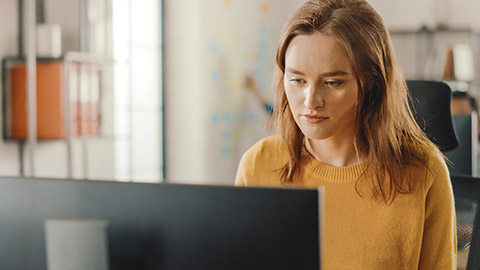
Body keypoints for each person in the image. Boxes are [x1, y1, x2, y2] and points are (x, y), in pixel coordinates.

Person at [235, 0, 456, 269]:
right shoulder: (258, 164)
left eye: (332, 83)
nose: (311, 101)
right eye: (297, 80)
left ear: (372, 84)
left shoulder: (424, 171)